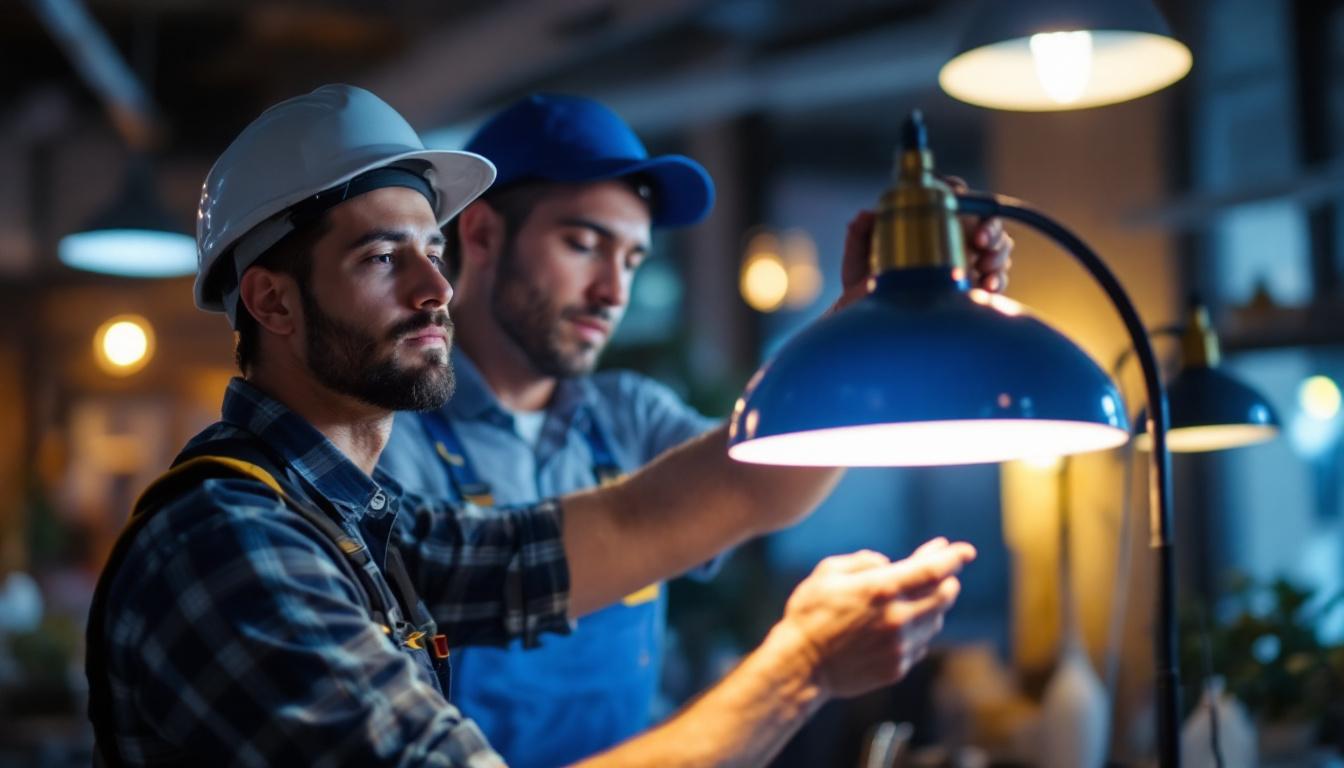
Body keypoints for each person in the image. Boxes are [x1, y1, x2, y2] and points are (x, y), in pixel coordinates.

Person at [85, 84, 976, 768]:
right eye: (381, 258)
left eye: (430, 252)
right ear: (272, 301)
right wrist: (802, 669)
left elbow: (636, 523)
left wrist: (870, 319)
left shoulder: (364, 524)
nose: (435, 289)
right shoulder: (233, 548)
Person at [377, 93, 1013, 766]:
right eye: (584, 244)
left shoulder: (628, 415)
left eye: (631, 259)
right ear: (480, 235)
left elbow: (757, 486)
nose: (612, 291)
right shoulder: (391, 441)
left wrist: (876, 318)